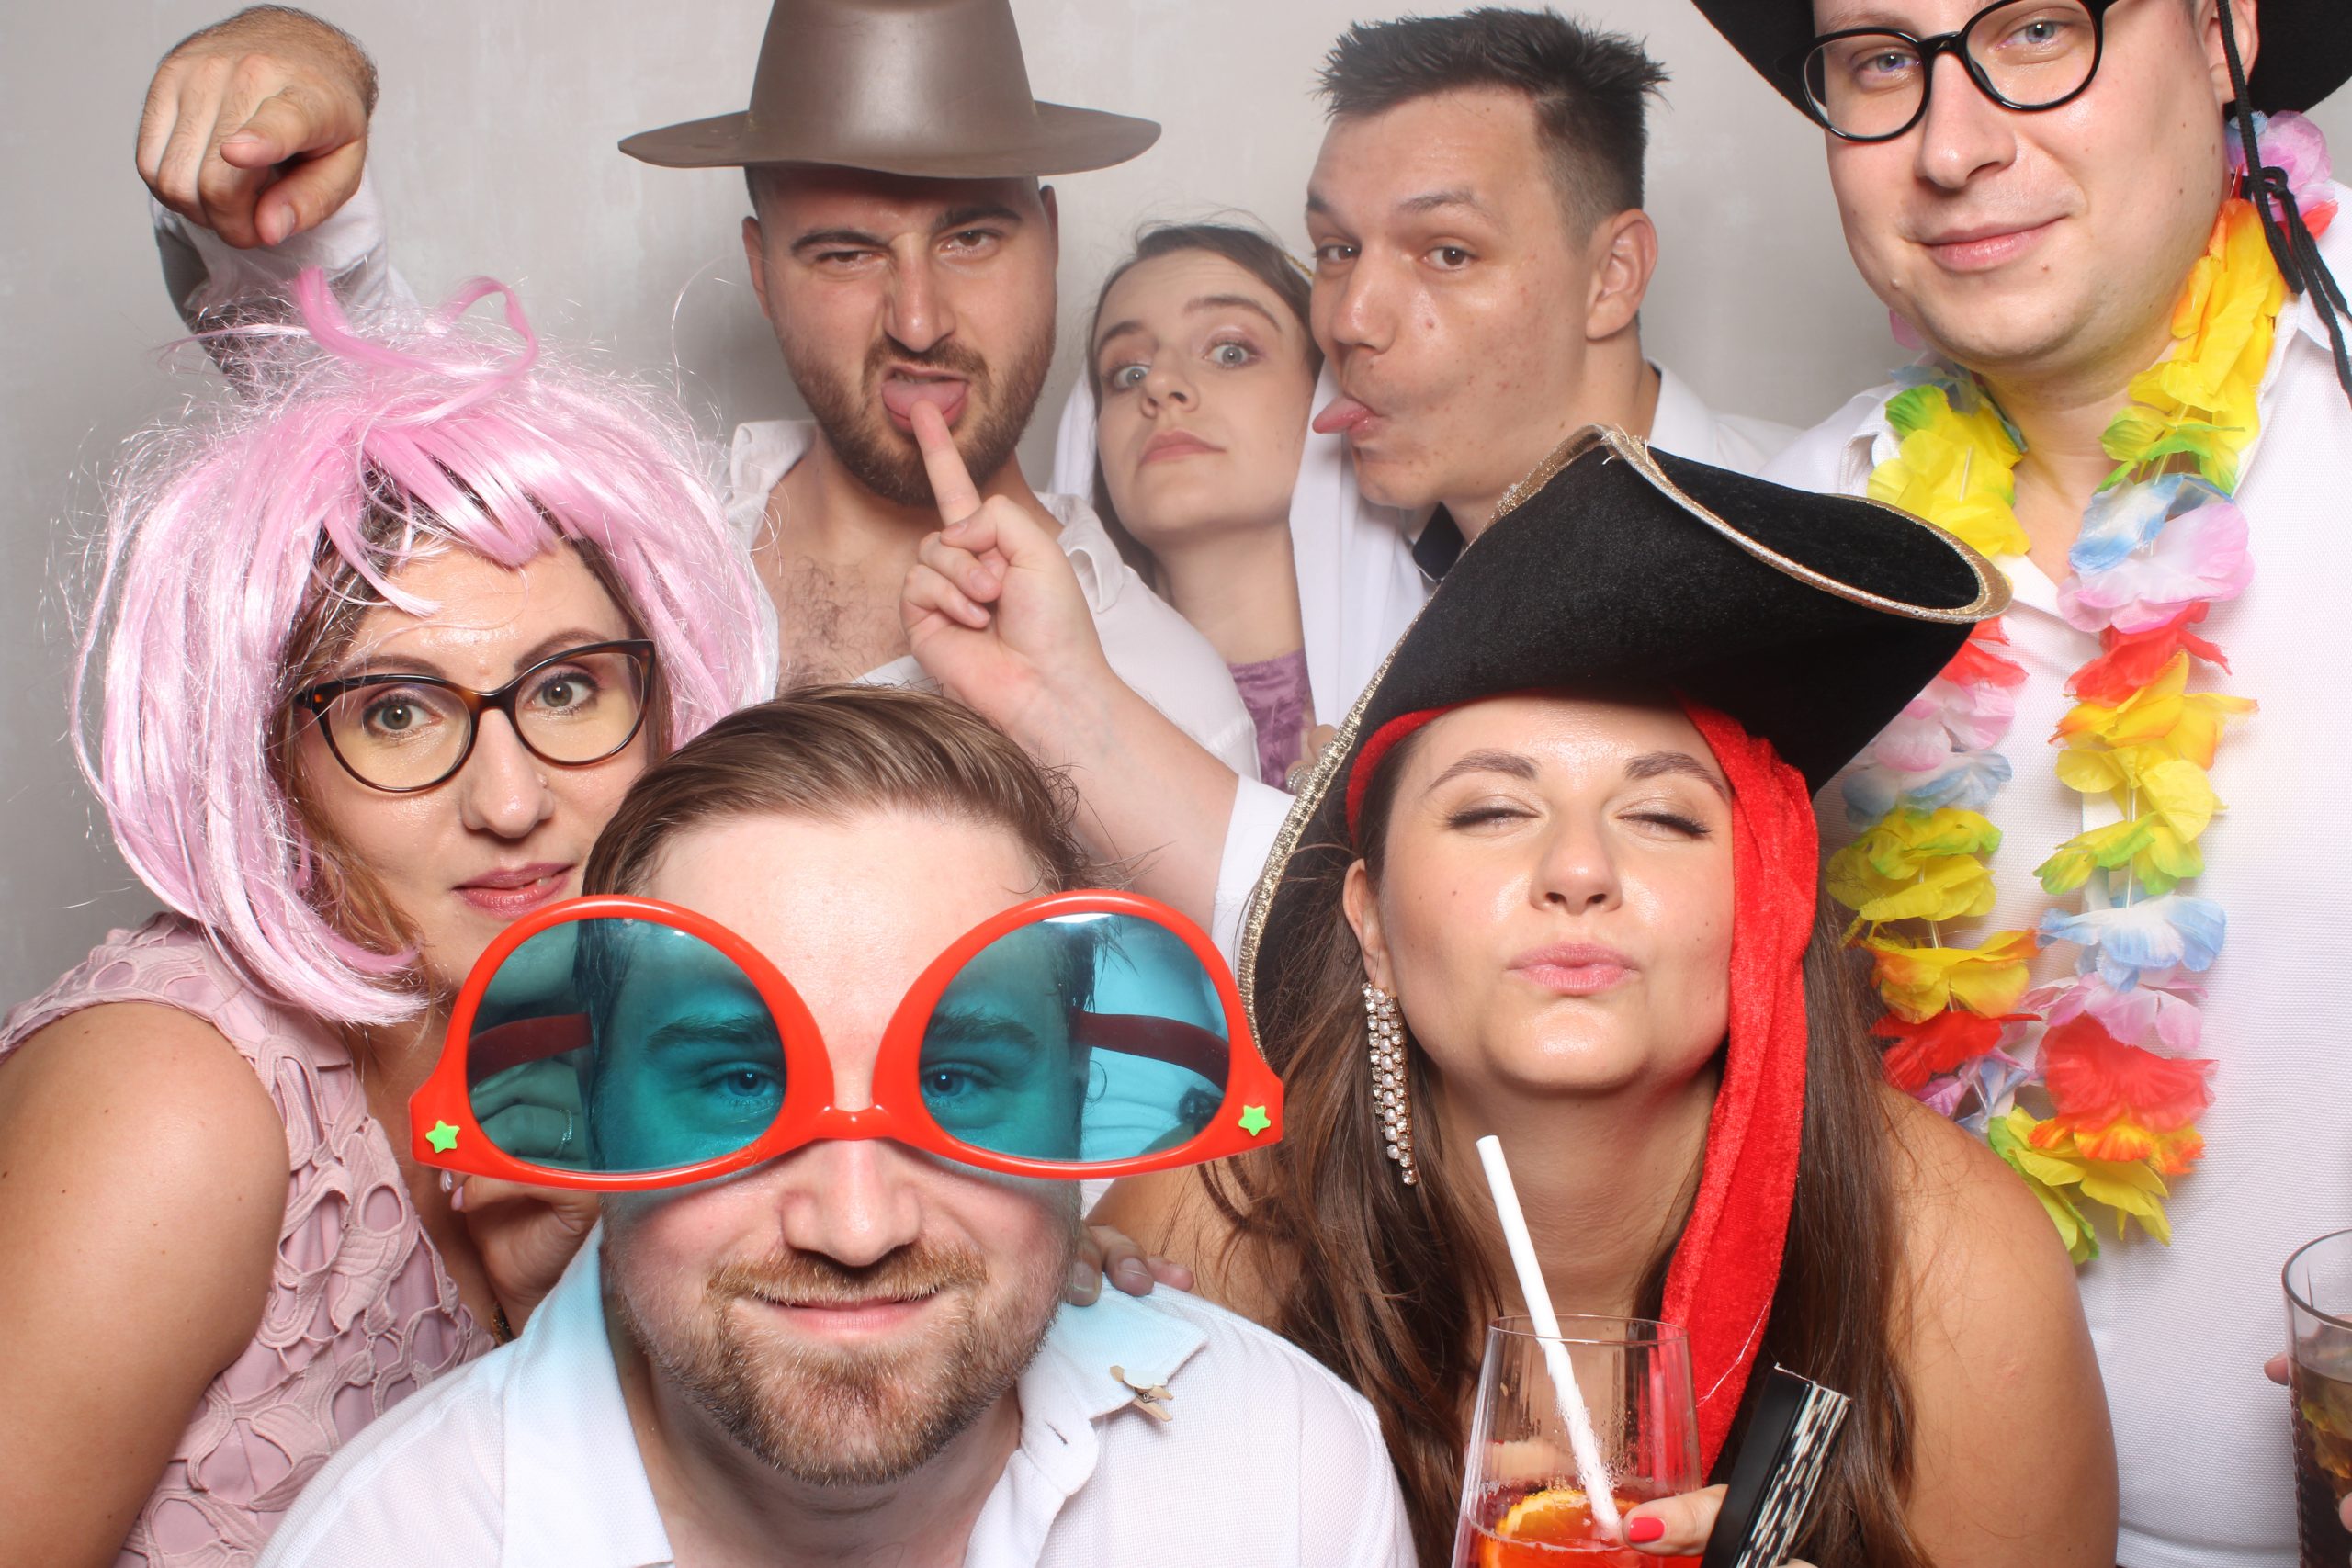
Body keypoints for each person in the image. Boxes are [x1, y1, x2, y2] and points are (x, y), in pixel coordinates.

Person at [1088, 426, 2117, 1565]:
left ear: (1764, 903)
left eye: (1662, 817)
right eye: (1491, 811)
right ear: (1371, 923)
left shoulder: (1949, 1269)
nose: (1578, 869)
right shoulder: (1206, 1232)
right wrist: (1022, 1349)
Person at [1689, 2, 2351, 1562]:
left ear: (2221, 37)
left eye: (2038, 27)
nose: (1953, 145)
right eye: (1880, 62)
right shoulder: (1776, 548)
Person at [256, 685, 1415, 1568]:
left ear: (1075, 1106)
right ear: (594, 1112)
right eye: (735, 1081)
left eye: (956, 1078)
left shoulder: (1287, 1476)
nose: (856, 1228)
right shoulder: (387, 1545)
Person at [0, 270, 772, 1567]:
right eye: (395, 712)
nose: (512, 800)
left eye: (567, 688)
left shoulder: (634, 1046)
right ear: (268, 767)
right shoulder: (171, 1104)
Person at [132, 0, 1260, 777]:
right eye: (845, 253)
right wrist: (282, 117)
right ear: (762, 272)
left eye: (970, 238)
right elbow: (368, 419)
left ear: (1049, 244)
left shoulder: (1166, 703)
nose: (918, 321)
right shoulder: (627, 544)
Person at [911, 9, 1793, 957]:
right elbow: (1351, 945)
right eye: (1336, 250)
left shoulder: (1819, 536)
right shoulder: (1394, 571)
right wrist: (1051, 696)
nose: (1350, 320)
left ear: (1612, 275)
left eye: (1447, 252)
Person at [1080, 222, 1323, 787]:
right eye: (1128, 373)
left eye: (1230, 352)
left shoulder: (1441, 685)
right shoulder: (1037, 705)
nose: (1160, 384)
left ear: (1327, 395)